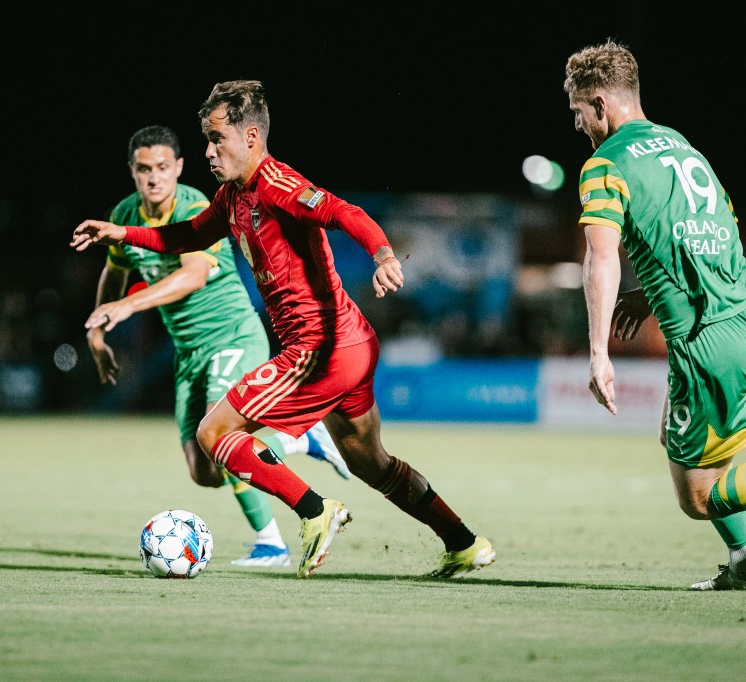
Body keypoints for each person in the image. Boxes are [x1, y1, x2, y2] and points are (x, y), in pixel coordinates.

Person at [72, 81, 495, 579]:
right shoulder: (232, 196)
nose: (208, 151)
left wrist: (382, 254)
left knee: (215, 432)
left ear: (251, 136)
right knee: (371, 464)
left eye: (216, 139)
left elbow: (344, 212)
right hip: (350, 345)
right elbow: (187, 235)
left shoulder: (277, 184)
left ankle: (315, 510)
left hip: (321, 349)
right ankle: (464, 542)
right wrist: (122, 232)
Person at [564, 39, 746, 590]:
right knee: (691, 449)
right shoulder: (682, 148)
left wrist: (598, 353)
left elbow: (601, 258)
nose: (578, 126)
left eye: (578, 113)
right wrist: (653, 291)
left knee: (697, 495)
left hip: (705, 340)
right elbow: (720, 223)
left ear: (599, 104)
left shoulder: (604, 164)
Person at [84, 124, 350, 568]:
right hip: (189, 353)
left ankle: (272, 543)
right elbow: (113, 270)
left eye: (163, 168)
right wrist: (97, 329)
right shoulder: (126, 212)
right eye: (144, 169)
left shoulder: (192, 203)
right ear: (132, 171)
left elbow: (193, 274)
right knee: (202, 471)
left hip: (231, 335)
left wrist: (127, 308)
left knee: (222, 438)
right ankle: (300, 439)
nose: (154, 178)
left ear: (179, 168)